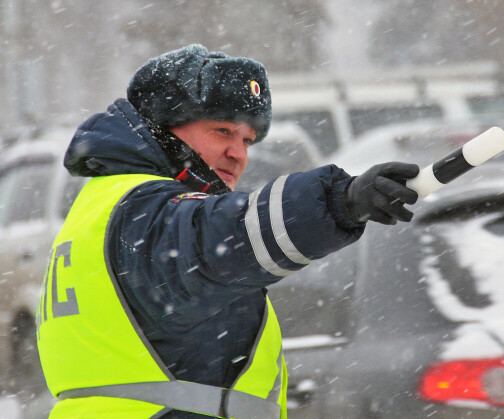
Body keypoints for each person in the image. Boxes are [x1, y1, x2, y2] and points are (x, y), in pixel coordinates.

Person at [36, 44, 419, 419]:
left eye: (247, 140)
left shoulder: (106, 205)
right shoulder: (144, 212)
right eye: (222, 131)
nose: (239, 153)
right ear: (162, 131)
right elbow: (224, 236)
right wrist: (339, 200)